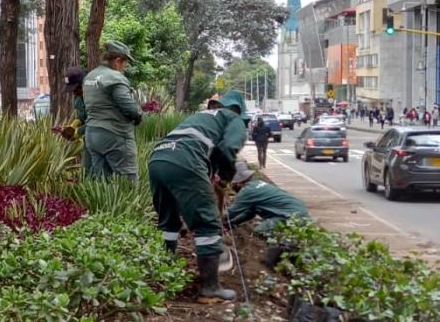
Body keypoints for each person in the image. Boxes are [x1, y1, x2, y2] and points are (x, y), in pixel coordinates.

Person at [148, 90, 248, 303]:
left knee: (169, 223)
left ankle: (162, 274)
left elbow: (203, 147)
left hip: (158, 158)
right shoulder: (235, 120)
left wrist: (210, 174)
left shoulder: (203, 117)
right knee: (208, 224)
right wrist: (225, 177)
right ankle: (210, 289)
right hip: (185, 161)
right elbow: (228, 148)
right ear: (240, 112)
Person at [83, 41, 143, 180]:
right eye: (125, 63)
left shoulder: (90, 76)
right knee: (128, 182)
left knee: (103, 184)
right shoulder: (115, 77)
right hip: (115, 135)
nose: (125, 67)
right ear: (117, 61)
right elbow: (129, 107)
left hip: (92, 135)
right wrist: (138, 115)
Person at [225, 160, 309, 236]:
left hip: (289, 216)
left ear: (238, 183)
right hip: (300, 211)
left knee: (260, 230)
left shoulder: (247, 191)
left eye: (232, 184)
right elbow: (249, 214)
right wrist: (230, 224)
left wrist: (216, 221)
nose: (231, 186)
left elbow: (231, 212)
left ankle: (280, 247)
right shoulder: (258, 184)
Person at [52, 67, 87, 142]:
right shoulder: (78, 99)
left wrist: (78, 132)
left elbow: (96, 121)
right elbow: (82, 117)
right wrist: (69, 128)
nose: (74, 93)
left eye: (75, 89)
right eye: (72, 90)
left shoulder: (96, 99)